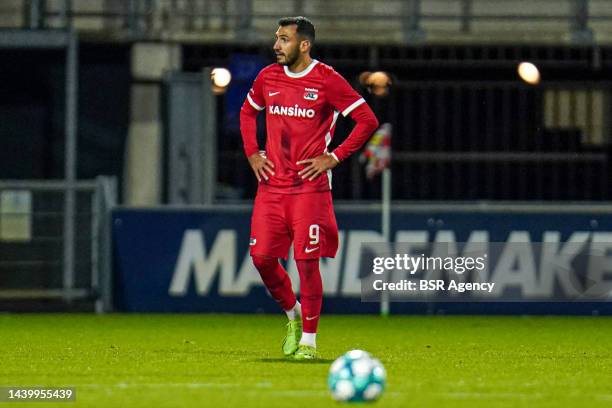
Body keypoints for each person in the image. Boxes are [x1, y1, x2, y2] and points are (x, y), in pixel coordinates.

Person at [240, 16, 379, 360]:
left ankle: (310, 342)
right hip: (271, 187)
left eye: (284, 39)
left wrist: (334, 157)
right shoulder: (267, 77)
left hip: (309, 189)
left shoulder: (327, 79)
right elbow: (247, 112)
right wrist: (253, 153)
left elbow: (367, 121)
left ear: (304, 44)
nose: (276, 45)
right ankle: (293, 315)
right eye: (276, 38)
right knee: (261, 258)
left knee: (306, 263)